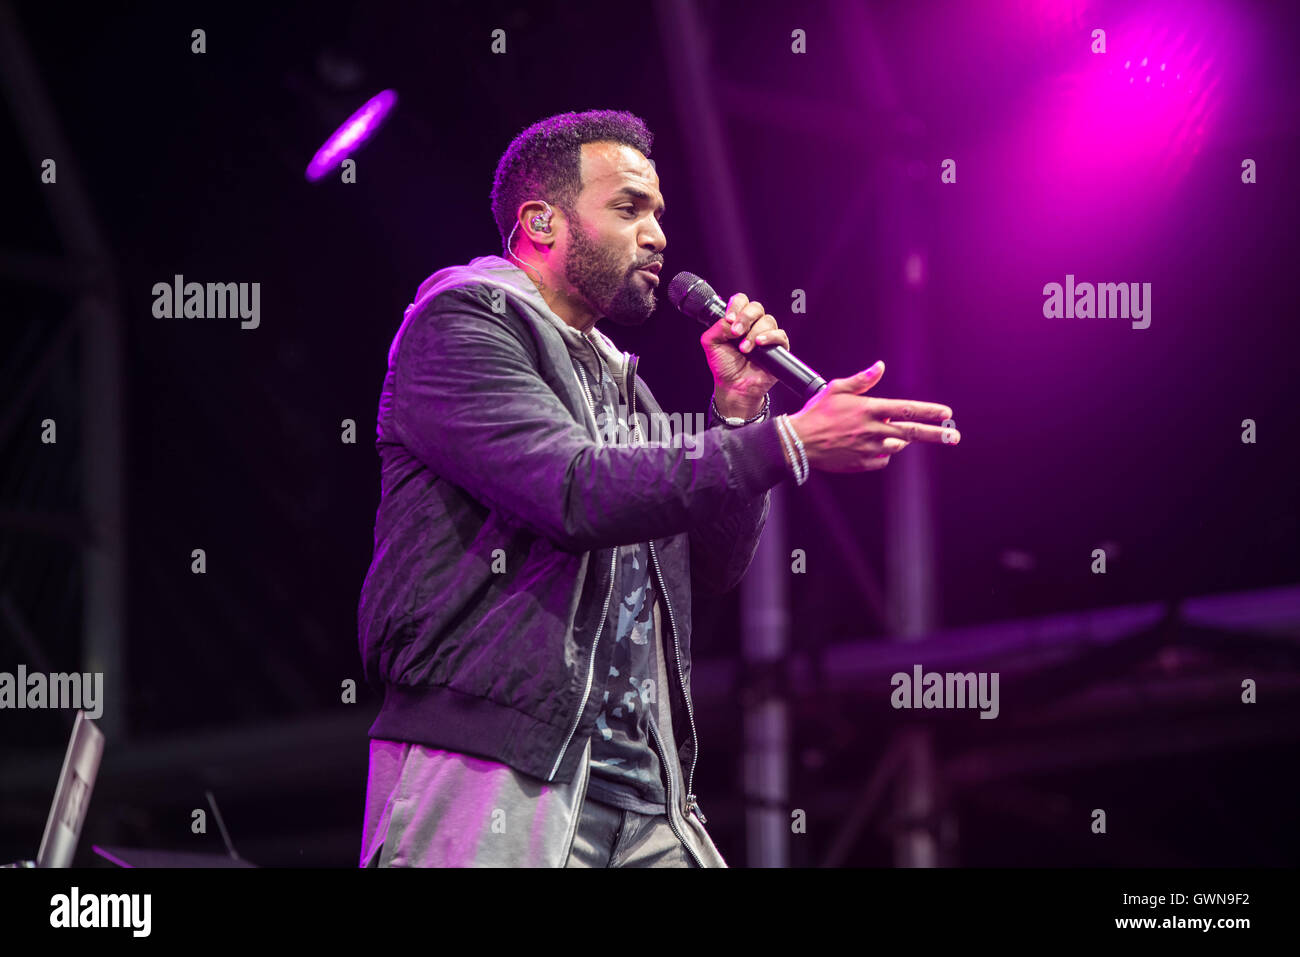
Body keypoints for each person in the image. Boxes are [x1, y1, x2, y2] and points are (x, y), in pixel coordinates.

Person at [356, 109, 959, 867]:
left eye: (660, 214)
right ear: (541, 222)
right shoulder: (462, 322)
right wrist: (791, 442)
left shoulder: (624, 388)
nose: (658, 235)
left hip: (646, 792)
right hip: (498, 772)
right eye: (628, 208)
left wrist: (742, 412)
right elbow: (569, 489)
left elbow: (713, 564)